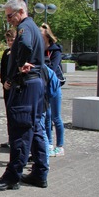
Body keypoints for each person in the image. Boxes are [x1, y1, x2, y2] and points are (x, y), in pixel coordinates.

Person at [0, 0, 49, 191]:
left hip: (25, 85)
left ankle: (12, 177)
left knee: (20, 129)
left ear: (20, 11)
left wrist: (21, 64)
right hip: (35, 84)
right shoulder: (32, 27)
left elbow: (25, 44)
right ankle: (40, 172)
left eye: (9, 16)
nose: (8, 20)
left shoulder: (25, 29)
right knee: (35, 127)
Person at [41, 23, 65, 157]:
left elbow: (53, 68)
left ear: (47, 37)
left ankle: (60, 146)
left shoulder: (55, 51)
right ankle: (49, 144)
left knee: (56, 117)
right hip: (44, 86)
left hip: (54, 87)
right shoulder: (40, 50)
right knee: (47, 116)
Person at [0, 28, 16, 148]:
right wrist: (4, 82)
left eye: (12, 40)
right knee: (9, 115)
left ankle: (16, 140)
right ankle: (11, 139)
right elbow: (3, 70)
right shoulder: (6, 53)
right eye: (8, 40)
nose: (10, 42)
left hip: (16, 88)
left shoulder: (19, 53)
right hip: (6, 88)